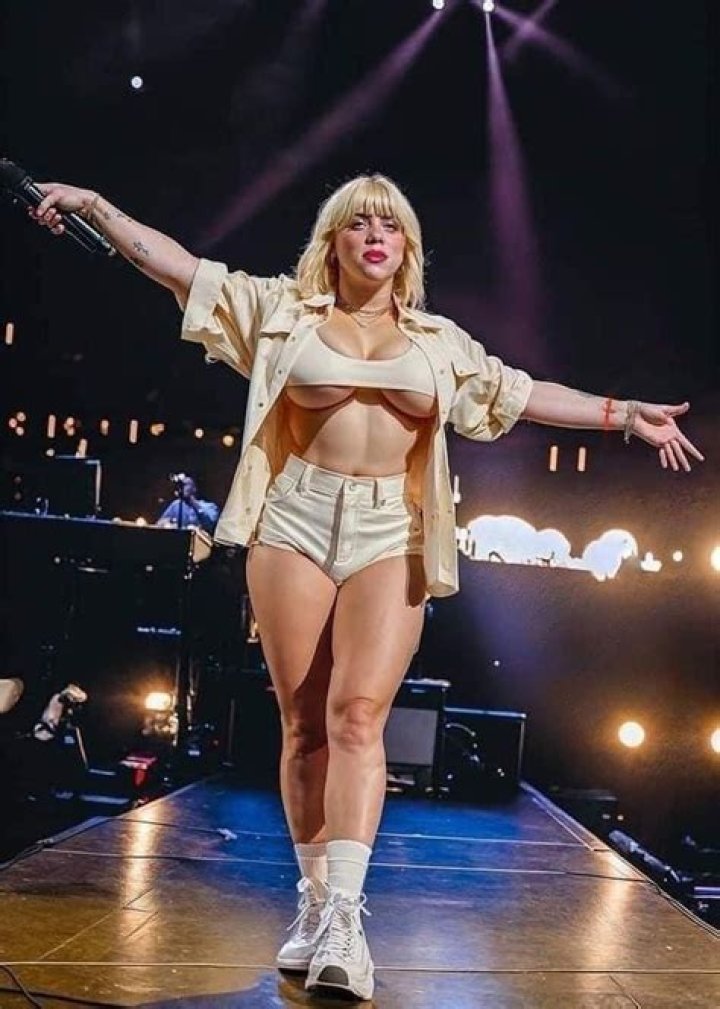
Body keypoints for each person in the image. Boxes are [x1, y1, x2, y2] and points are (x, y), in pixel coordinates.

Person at [29, 174, 703, 1001]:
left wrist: (622, 413)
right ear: (336, 241)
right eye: (360, 223)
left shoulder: (437, 342)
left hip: (393, 530)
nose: (376, 234)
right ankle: (314, 903)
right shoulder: (281, 311)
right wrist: (96, 207)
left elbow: (522, 393)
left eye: (391, 224)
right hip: (293, 519)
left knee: (357, 714)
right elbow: (177, 267)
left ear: (406, 247)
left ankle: (346, 918)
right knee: (303, 722)